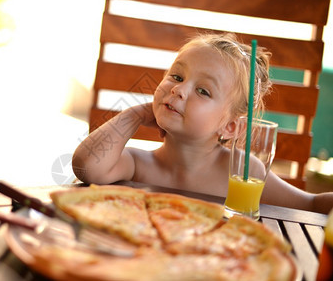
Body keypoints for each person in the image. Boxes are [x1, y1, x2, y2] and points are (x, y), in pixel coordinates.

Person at [72, 33, 333, 214]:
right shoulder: (139, 165)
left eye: (203, 91)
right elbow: (86, 167)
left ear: (230, 127)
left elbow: (310, 206)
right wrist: (135, 114)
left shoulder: (241, 173)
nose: (179, 90)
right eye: (176, 76)